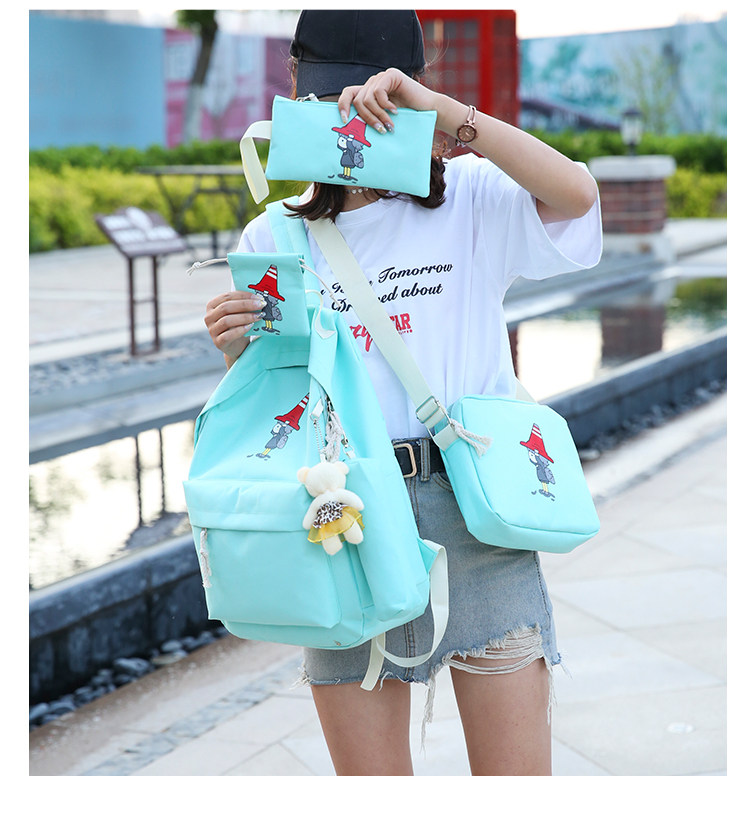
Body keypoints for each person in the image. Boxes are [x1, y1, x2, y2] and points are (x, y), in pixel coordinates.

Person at [204, 10, 602, 776]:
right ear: (295, 88)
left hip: (475, 515)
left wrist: (447, 115)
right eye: (328, 101)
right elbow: (276, 406)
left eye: (372, 100)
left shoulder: (473, 199)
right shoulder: (273, 237)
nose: (347, 118)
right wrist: (236, 353)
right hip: (341, 521)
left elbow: (578, 194)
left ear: (412, 90)